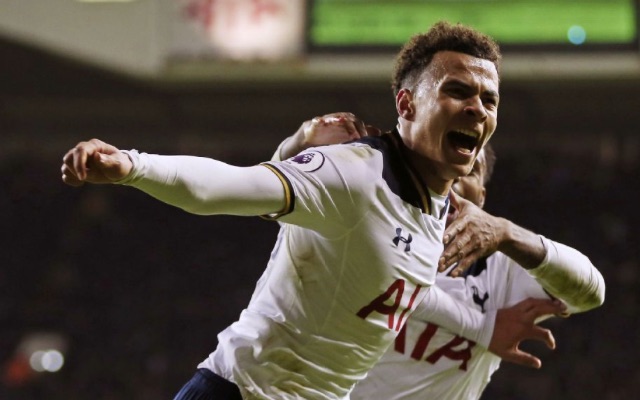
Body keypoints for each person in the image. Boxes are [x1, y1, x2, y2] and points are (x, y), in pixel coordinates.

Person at [60, 21, 566, 399]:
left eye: (489, 99)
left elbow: (405, 291)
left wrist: (480, 323)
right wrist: (132, 164)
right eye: (457, 90)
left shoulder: (438, 208)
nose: (478, 107)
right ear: (407, 103)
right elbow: (229, 186)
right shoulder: (355, 174)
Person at [273, 113, 605, 399]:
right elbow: (278, 195)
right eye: (438, 169)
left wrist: (508, 233)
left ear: (482, 196)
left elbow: (591, 293)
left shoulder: (504, 270)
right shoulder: (365, 225)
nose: (452, 180)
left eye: (470, 170)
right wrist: (299, 141)